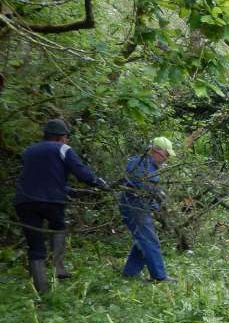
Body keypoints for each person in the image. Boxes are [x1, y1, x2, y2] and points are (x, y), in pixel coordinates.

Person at [13, 118, 108, 294]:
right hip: (51, 201)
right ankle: (59, 268)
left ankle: (41, 290)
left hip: (24, 201)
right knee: (58, 227)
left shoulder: (29, 151)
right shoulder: (63, 149)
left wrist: (69, 190)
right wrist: (98, 183)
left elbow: (40, 178)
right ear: (62, 137)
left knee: (35, 245)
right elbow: (82, 174)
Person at [118, 137, 176, 282]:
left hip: (141, 207)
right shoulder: (138, 163)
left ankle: (130, 273)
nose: (166, 159)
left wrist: (157, 207)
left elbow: (149, 192)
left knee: (142, 240)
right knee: (149, 241)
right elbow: (138, 184)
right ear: (156, 150)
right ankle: (159, 276)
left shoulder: (152, 167)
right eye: (166, 155)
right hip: (134, 207)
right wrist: (156, 192)